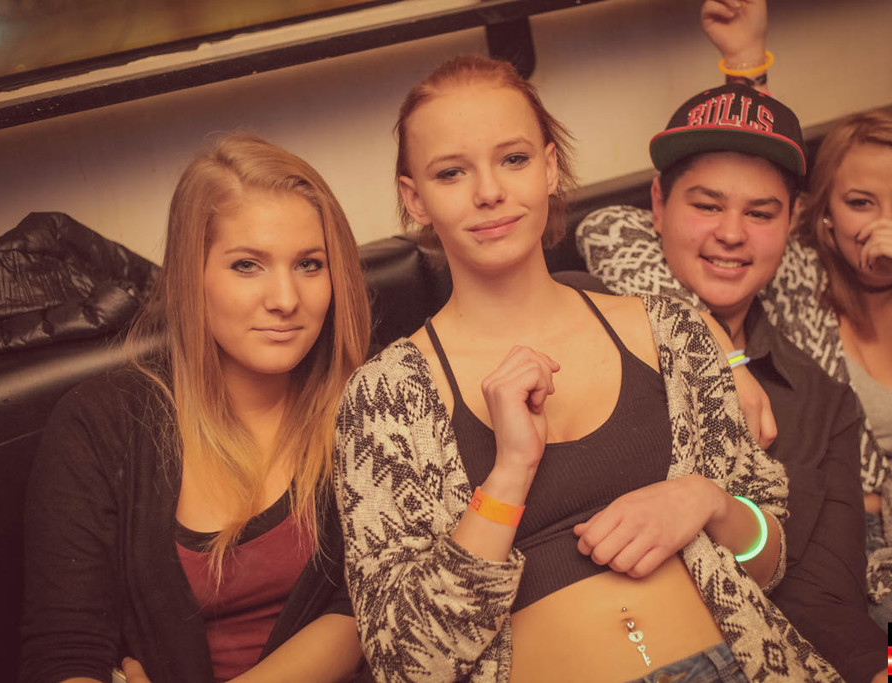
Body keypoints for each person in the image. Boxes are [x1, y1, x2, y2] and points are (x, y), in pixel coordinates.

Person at [335, 55, 840, 683]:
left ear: (549, 168)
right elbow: (406, 663)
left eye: (513, 159)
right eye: (451, 172)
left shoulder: (670, 331)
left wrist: (708, 501)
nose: (489, 191)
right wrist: (508, 477)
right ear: (416, 199)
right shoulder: (384, 395)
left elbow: (771, 561)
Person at [19, 133, 371, 683]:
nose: (285, 299)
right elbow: (64, 650)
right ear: (192, 275)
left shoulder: (370, 402)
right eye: (247, 265)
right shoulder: (100, 424)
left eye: (309, 264)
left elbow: (368, 605)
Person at [702, 0, 892, 621]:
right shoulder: (794, 276)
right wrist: (744, 63)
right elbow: (747, 179)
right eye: (861, 203)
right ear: (824, 216)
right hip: (824, 545)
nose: (885, 227)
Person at [577, 83, 888, 683]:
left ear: (792, 221)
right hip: (614, 649)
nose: (731, 233)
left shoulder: (821, 398)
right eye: (707, 205)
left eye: (760, 213)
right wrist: (707, 340)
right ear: (658, 204)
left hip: (800, 639)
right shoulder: (581, 312)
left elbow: (825, 600)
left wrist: (887, 668)